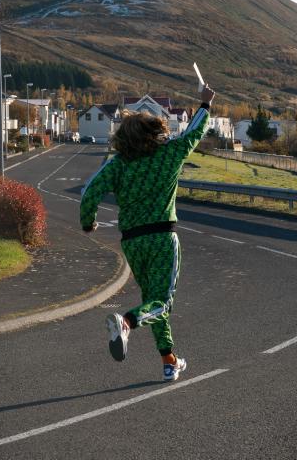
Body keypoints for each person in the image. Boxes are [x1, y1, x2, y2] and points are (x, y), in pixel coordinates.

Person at [80, 85, 215, 381]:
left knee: (153, 302)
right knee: (162, 302)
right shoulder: (169, 155)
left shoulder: (117, 166)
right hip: (163, 238)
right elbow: (193, 133)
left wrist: (88, 222)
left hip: (132, 242)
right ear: (154, 131)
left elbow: (90, 191)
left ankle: (170, 361)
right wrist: (204, 105)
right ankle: (127, 322)